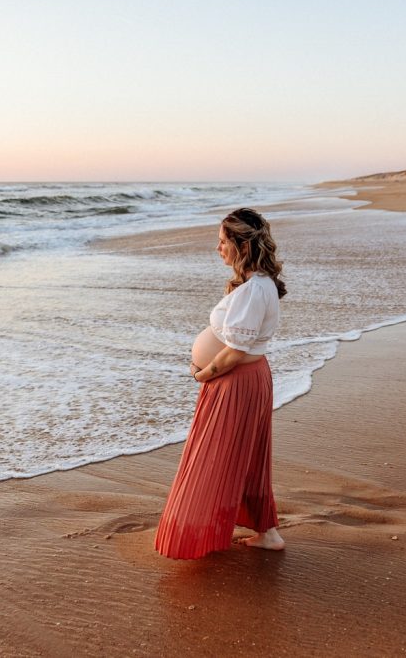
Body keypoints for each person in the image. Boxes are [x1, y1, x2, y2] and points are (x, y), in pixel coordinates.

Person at [154, 207, 286, 559]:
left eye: (222, 241)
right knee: (244, 457)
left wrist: (204, 373)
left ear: (241, 245)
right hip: (243, 380)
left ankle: (196, 534)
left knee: (214, 458)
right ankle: (267, 532)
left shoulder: (255, 290)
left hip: (235, 382)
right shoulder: (256, 286)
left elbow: (235, 350)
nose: (218, 248)